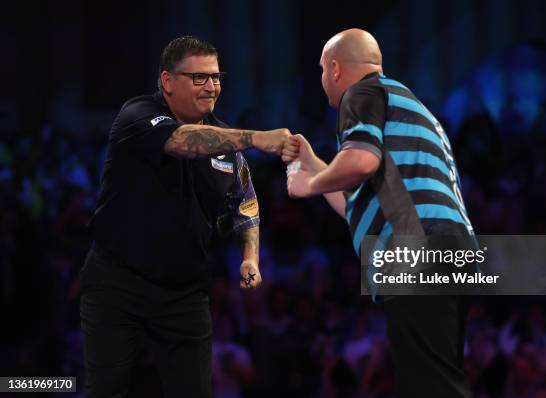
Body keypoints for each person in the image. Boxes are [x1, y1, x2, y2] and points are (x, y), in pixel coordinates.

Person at [80, 36, 290, 397]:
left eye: (217, 77)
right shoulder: (137, 114)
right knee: (108, 390)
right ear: (167, 81)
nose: (212, 87)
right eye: (199, 78)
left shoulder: (228, 146)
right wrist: (256, 138)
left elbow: (246, 201)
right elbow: (182, 141)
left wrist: (250, 256)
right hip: (117, 283)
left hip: (184, 293)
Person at [283, 29, 473, 397]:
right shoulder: (409, 103)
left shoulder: (362, 92)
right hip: (450, 249)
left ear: (335, 69)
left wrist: (308, 184)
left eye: (322, 70)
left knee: (432, 386)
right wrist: (314, 165)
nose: (322, 80)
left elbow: (361, 161)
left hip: (416, 250)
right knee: (437, 379)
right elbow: (361, 202)